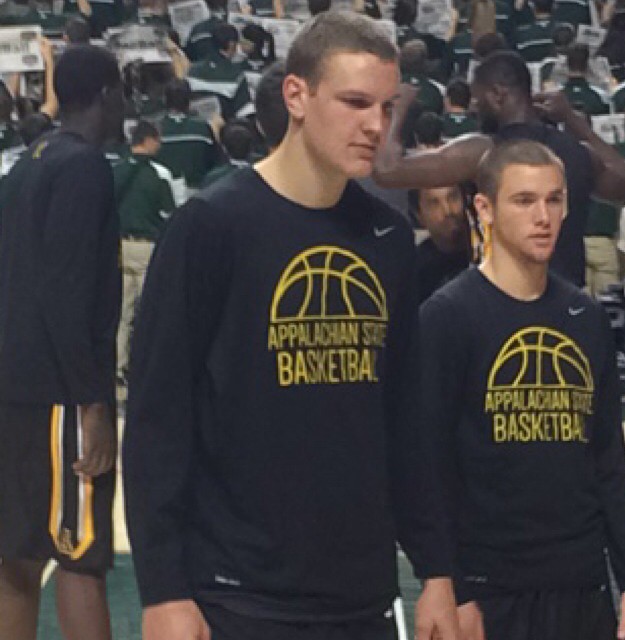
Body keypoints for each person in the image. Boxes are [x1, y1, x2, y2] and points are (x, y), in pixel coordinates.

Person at [124, 10, 460, 640]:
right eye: (356, 102)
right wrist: (163, 590)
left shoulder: (387, 238)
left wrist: (436, 569)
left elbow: (405, 420)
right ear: (296, 95)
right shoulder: (211, 227)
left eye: (386, 107)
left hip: (360, 595)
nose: (375, 125)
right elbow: (156, 419)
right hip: (240, 594)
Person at [420, 139, 625, 640]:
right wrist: (452, 586)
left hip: (582, 584)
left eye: (554, 199)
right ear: (485, 208)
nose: (543, 216)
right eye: (524, 200)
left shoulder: (584, 318)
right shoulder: (448, 318)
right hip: (492, 588)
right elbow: (430, 467)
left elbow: (607, 458)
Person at [0, 44, 123, 640]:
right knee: (81, 557)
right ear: (106, 94)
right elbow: (67, 292)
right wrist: (93, 403)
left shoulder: (28, 162)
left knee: (17, 554)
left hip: (14, 386)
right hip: (60, 395)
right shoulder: (83, 166)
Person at [375, 50, 625, 288]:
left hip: (501, 299)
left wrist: (396, 111)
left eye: (478, 101)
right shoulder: (577, 151)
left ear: (498, 94)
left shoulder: (482, 151)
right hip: (566, 303)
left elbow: (387, 171)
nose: (475, 109)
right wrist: (573, 121)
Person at [114, 119, 176, 387]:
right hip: (146, 247)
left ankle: (118, 365)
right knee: (149, 311)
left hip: (119, 246)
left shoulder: (116, 170)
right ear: (149, 140)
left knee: (123, 311)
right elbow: (168, 214)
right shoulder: (158, 173)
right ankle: (144, 367)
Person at [411, 183, 471, 301]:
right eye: (434, 203)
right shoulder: (413, 271)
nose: (448, 211)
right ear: (419, 216)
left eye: (453, 197)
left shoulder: (488, 251)